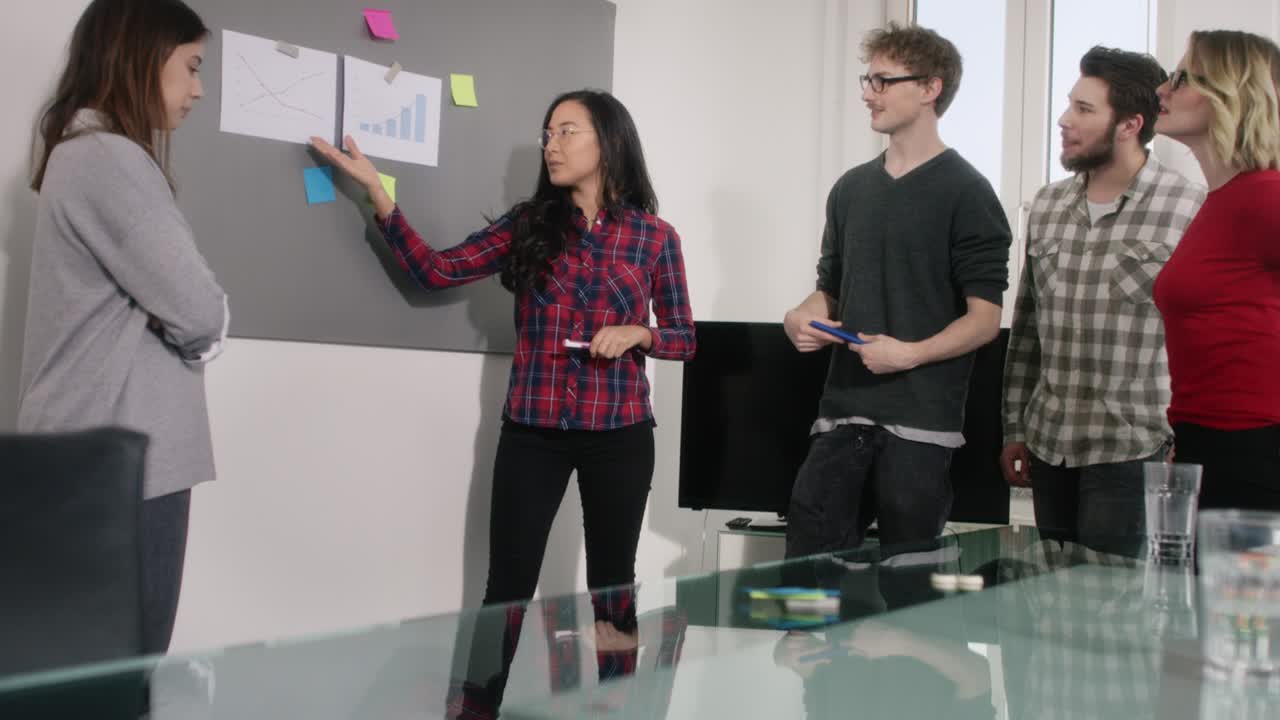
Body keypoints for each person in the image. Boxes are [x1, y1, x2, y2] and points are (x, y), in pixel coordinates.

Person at [310, 89, 694, 712]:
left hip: (620, 435)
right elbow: (433, 270)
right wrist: (376, 193)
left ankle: (617, 706)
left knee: (613, 586)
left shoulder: (655, 239)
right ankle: (475, 707)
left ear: (609, 142)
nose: (552, 144)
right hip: (533, 433)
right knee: (506, 589)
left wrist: (640, 333)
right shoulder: (527, 225)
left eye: (568, 131)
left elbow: (684, 337)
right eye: (547, 133)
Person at [19, 0, 228, 654]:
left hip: (93, 458)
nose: (198, 89)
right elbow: (201, 310)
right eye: (191, 67)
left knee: (85, 671)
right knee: (123, 675)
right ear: (143, 57)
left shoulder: (80, 154)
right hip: (125, 464)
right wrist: (211, 324)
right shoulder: (111, 159)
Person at [781, 22, 1011, 557]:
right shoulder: (850, 189)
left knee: (909, 585)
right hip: (841, 411)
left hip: (922, 425)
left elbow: (984, 320)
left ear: (930, 88)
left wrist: (909, 354)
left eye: (882, 82)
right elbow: (830, 289)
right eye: (868, 80)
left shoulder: (969, 193)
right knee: (805, 575)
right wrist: (801, 315)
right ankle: (801, 641)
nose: (867, 93)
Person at [1000, 47, 1203, 556]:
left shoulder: (1188, 207)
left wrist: (1188, 440)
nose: (1065, 120)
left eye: (1084, 110)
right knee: (1052, 605)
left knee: (1113, 617)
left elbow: (1201, 338)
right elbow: (1027, 328)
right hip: (1049, 445)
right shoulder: (1047, 205)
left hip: (1134, 449)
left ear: (1131, 124)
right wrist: (1014, 427)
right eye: (1070, 105)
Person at [1152, 30, 1280, 511]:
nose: (1163, 90)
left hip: (1255, 451)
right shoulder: (1219, 201)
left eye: (1182, 79)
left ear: (1232, 95)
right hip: (1204, 443)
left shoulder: (1267, 196)